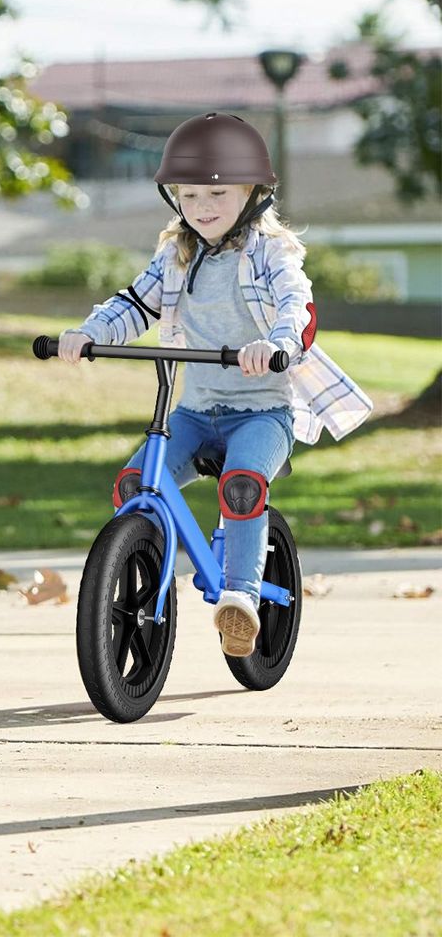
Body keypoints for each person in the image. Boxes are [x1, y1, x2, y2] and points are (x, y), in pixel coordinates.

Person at [57, 112, 372, 656]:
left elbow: (297, 307)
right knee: (133, 487)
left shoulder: (270, 254)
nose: (202, 207)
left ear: (254, 193)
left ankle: (241, 601)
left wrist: (276, 345)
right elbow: (134, 304)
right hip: (195, 411)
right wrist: (88, 334)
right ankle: (143, 565)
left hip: (262, 414)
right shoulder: (175, 256)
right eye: (189, 195)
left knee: (243, 485)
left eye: (217, 194)